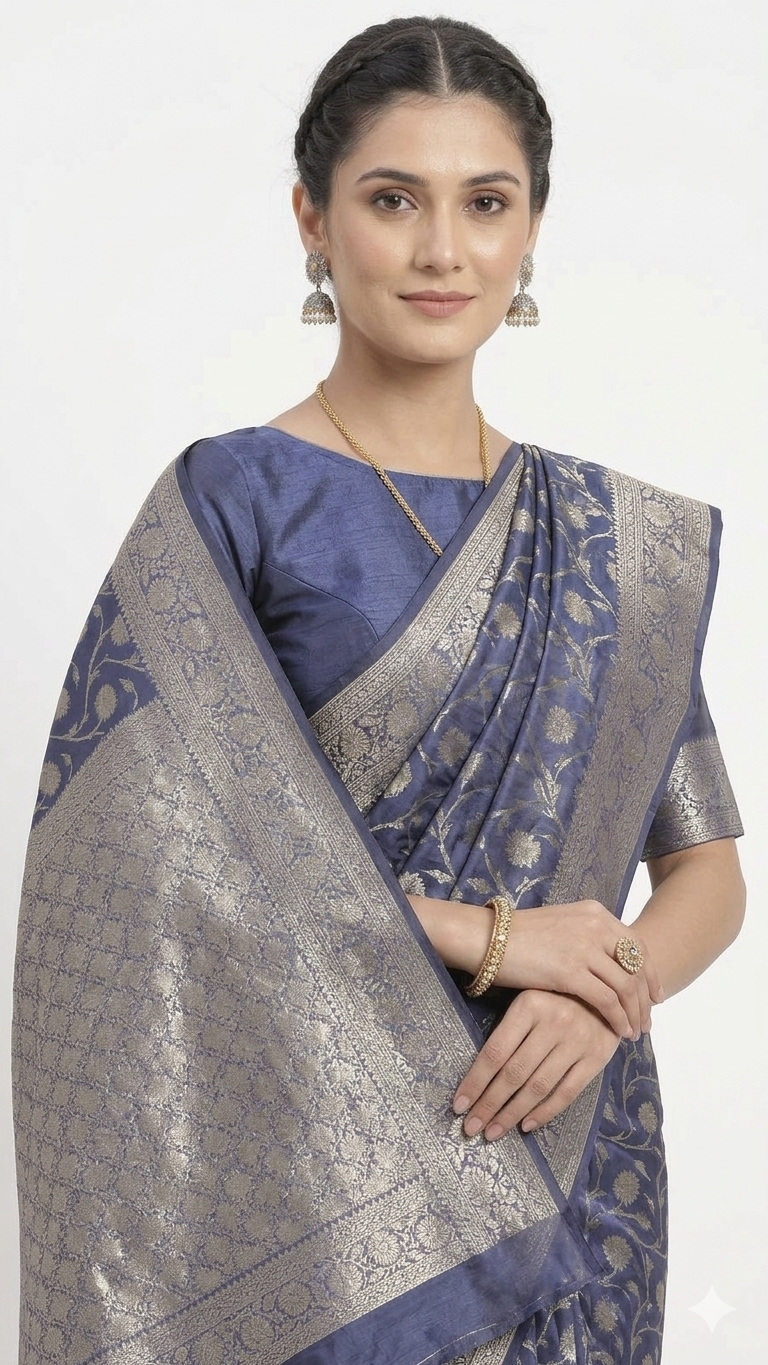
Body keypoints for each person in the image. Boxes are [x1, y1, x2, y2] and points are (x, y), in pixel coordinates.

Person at [13, 15, 746, 1365]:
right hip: (308, 1177)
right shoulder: (233, 501)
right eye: (392, 200)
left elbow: (708, 865)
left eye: (486, 203)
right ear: (313, 219)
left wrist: (603, 985)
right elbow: (141, 881)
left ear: (533, 229)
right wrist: (496, 935)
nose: (441, 249)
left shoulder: (609, 543)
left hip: (568, 1147)